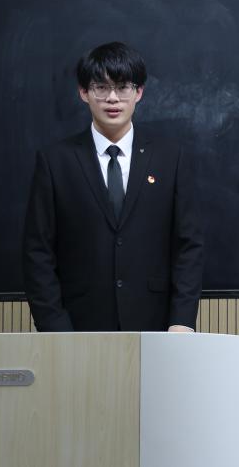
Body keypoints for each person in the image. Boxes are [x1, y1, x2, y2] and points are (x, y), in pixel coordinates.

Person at [22, 42, 203, 332]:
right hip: (78, 325)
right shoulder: (55, 161)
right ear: (84, 92)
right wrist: (55, 328)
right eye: (101, 88)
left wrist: (181, 320)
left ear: (139, 92)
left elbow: (188, 246)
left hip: (156, 324)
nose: (112, 98)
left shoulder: (170, 158)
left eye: (122, 87)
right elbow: (37, 252)